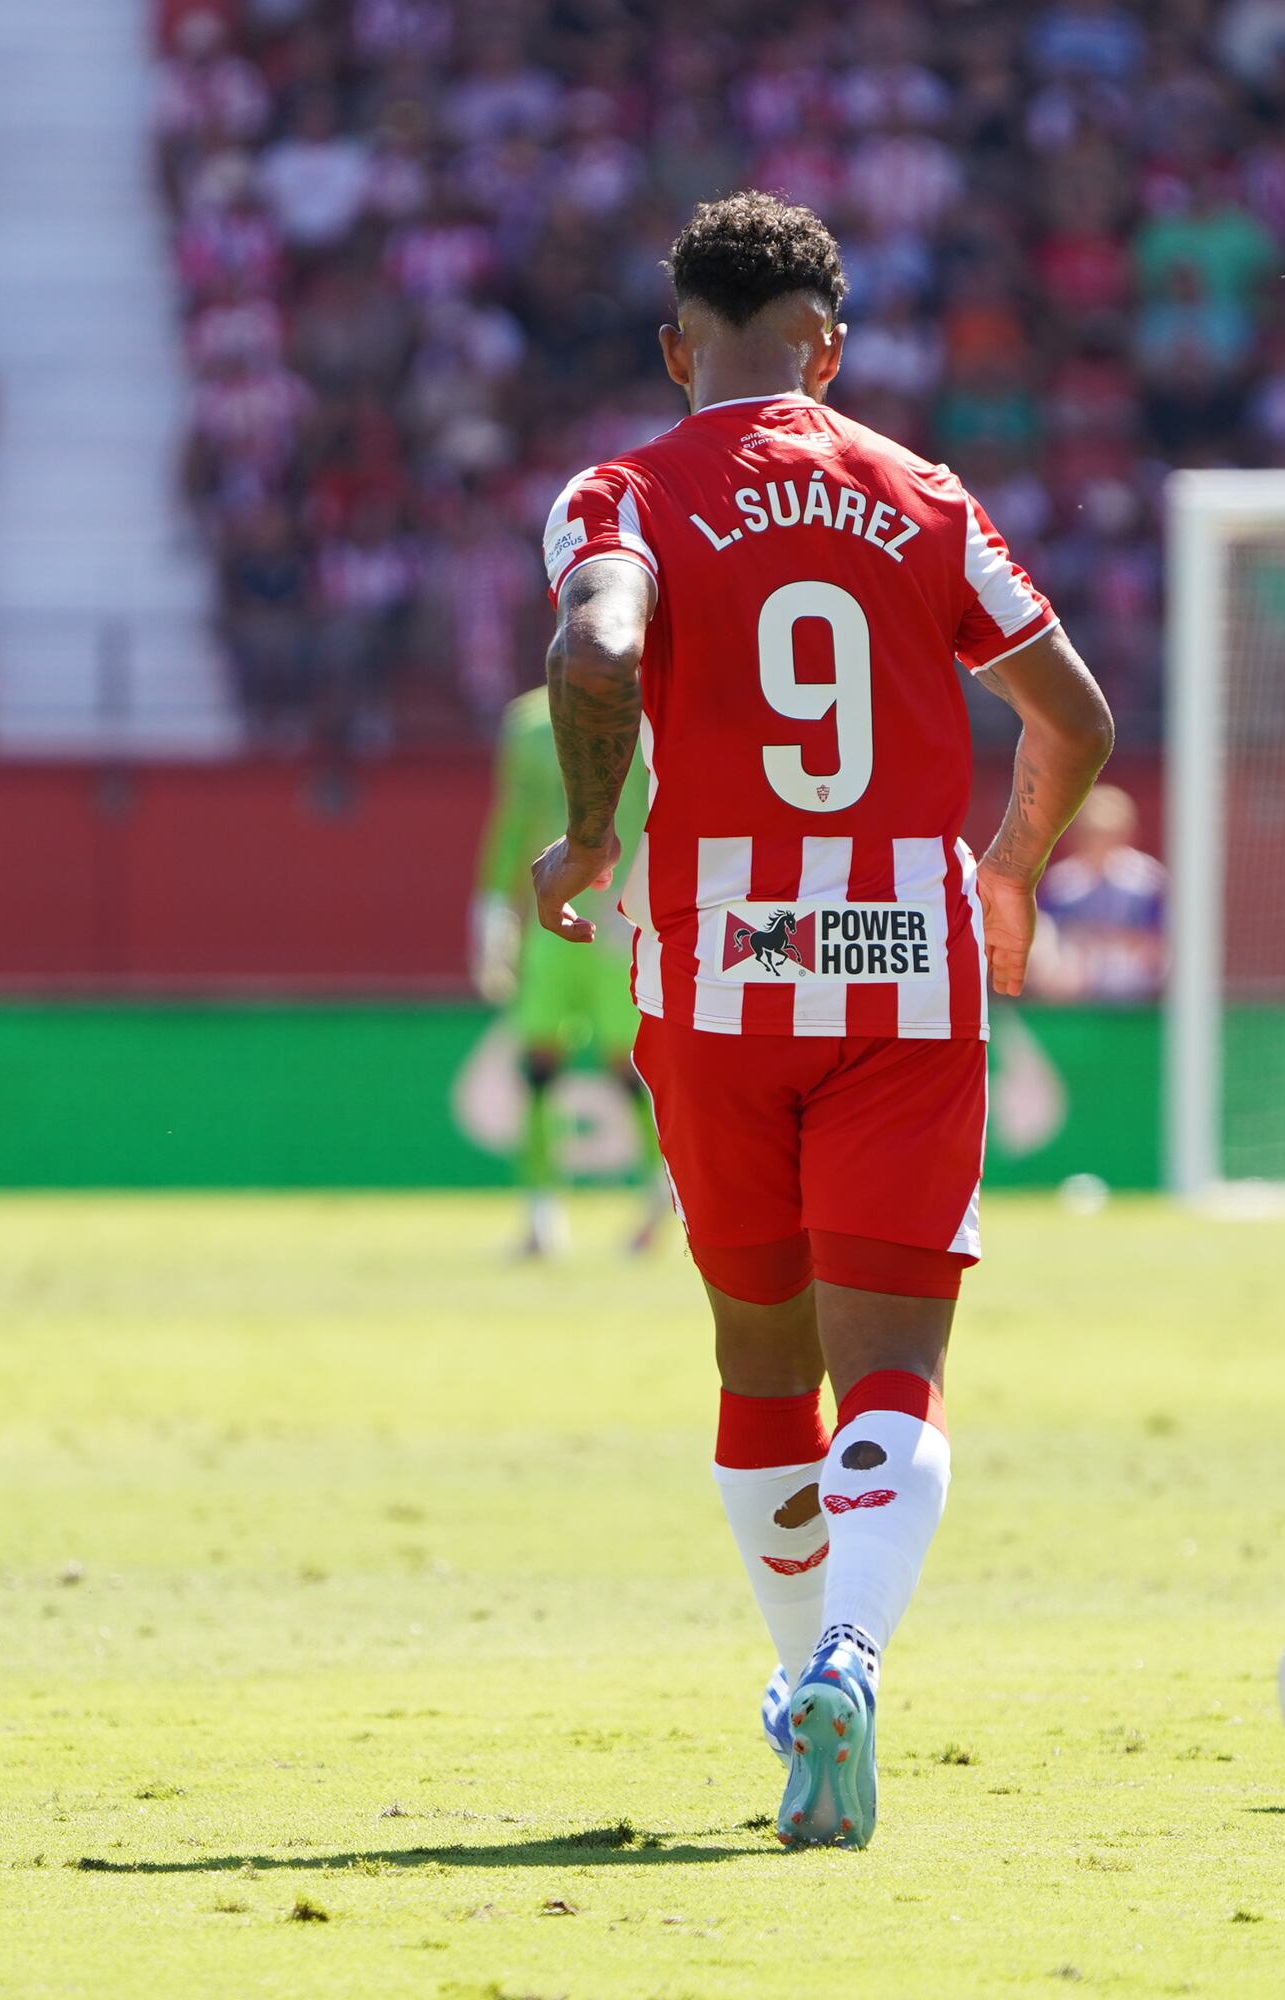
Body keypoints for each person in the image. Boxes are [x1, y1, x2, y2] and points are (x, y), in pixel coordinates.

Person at [529, 193, 1112, 1848]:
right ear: (828, 348)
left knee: (756, 1356)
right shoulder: (924, 497)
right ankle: (854, 1658)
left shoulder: (623, 488)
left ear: (673, 348)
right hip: (899, 978)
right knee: (891, 1372)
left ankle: (801, 1689)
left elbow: (596, 644)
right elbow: (1070, 716)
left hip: (716, 983)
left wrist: (586, 834)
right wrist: (1003, 872)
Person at [470, 684, 661, 1256]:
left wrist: (649, 903)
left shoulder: (645, 709)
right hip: (551, 919)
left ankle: (663, 1187)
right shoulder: (528, 722)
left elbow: (661, 807)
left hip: (620, 915)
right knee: (537, 1062)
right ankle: (540, 1213)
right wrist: (492, 912)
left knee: (632, 1067)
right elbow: (515, 818)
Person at [1029, 783, 1167, 1001]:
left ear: (1127, 834)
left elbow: (1160, 937)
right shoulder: (1062, 881)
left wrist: (1112, 939)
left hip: (1135, 980)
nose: (1100, 844)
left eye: (1109, 835)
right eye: (1091, 835)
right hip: (1073, 979)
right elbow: (1048, 934)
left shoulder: (1148, 880)